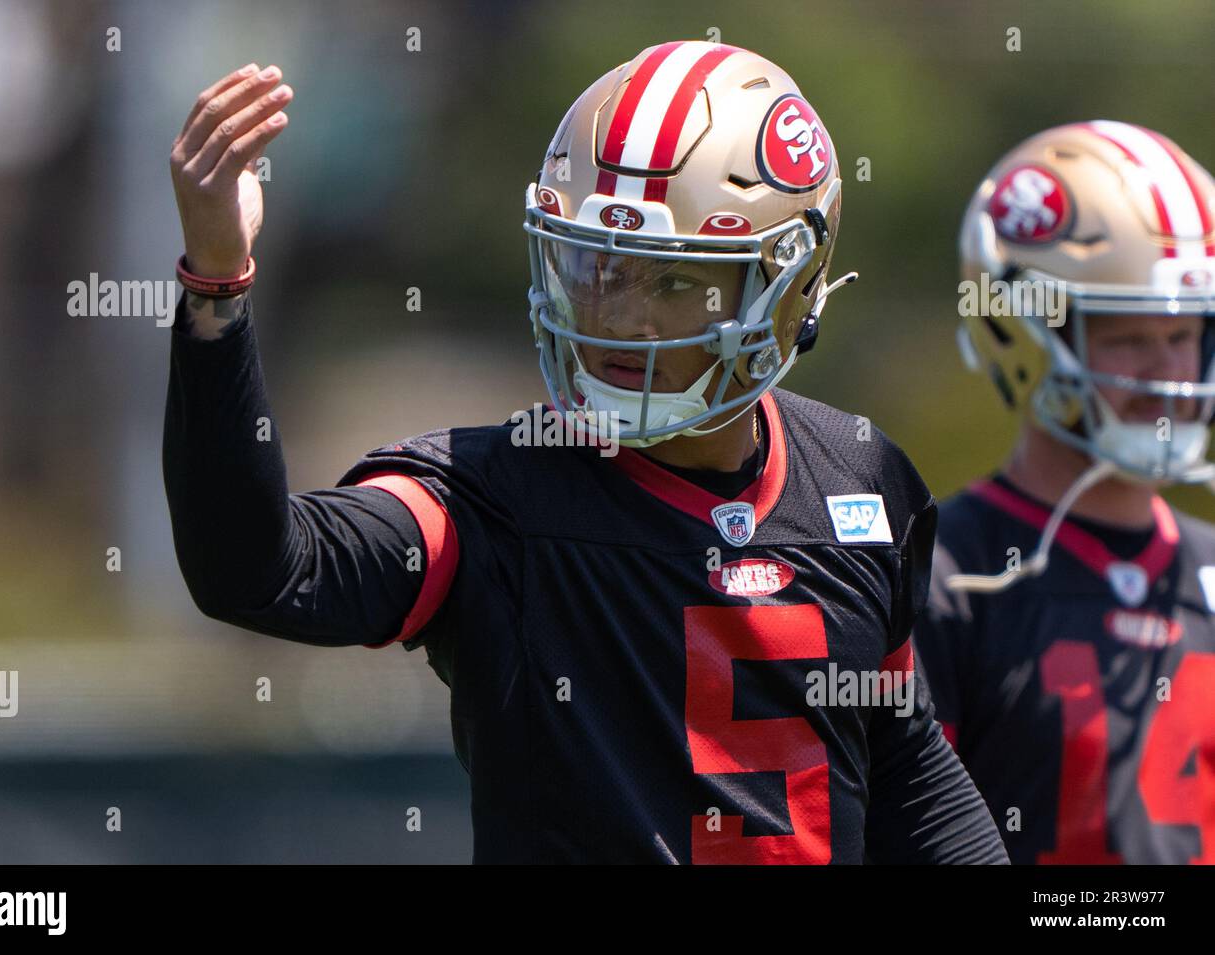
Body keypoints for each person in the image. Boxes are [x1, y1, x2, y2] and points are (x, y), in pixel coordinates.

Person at [164, 43, 1007, 863]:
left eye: (671, 281)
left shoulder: (861, 479)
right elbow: (258, 570)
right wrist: (216, 286)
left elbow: (903, 768)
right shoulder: (489, 499)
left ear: (787, 288)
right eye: (596, 264)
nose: (616, 318)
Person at [914, 121, 1215, 864]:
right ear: (1022, 332)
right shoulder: (945, 576)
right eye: (1127, 335)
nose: (1167, 373)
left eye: (1186, 334)